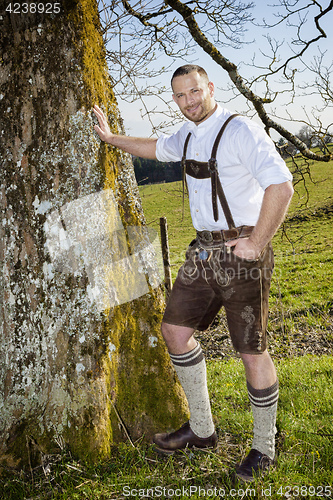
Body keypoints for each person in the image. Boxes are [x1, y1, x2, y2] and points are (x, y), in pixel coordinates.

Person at [93, 64, 294, 482]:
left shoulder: (240, 130)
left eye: (195, 92)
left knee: (251, 350)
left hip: (243, 254)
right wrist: (112, 139)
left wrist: (256, 243)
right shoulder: (185, 136)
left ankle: (264, 447)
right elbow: (154, 147)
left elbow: (281, 185)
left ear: (210, 88)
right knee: (174, 331)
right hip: (203, 253)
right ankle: (202, 430)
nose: (189, 101)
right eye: (181, 95)